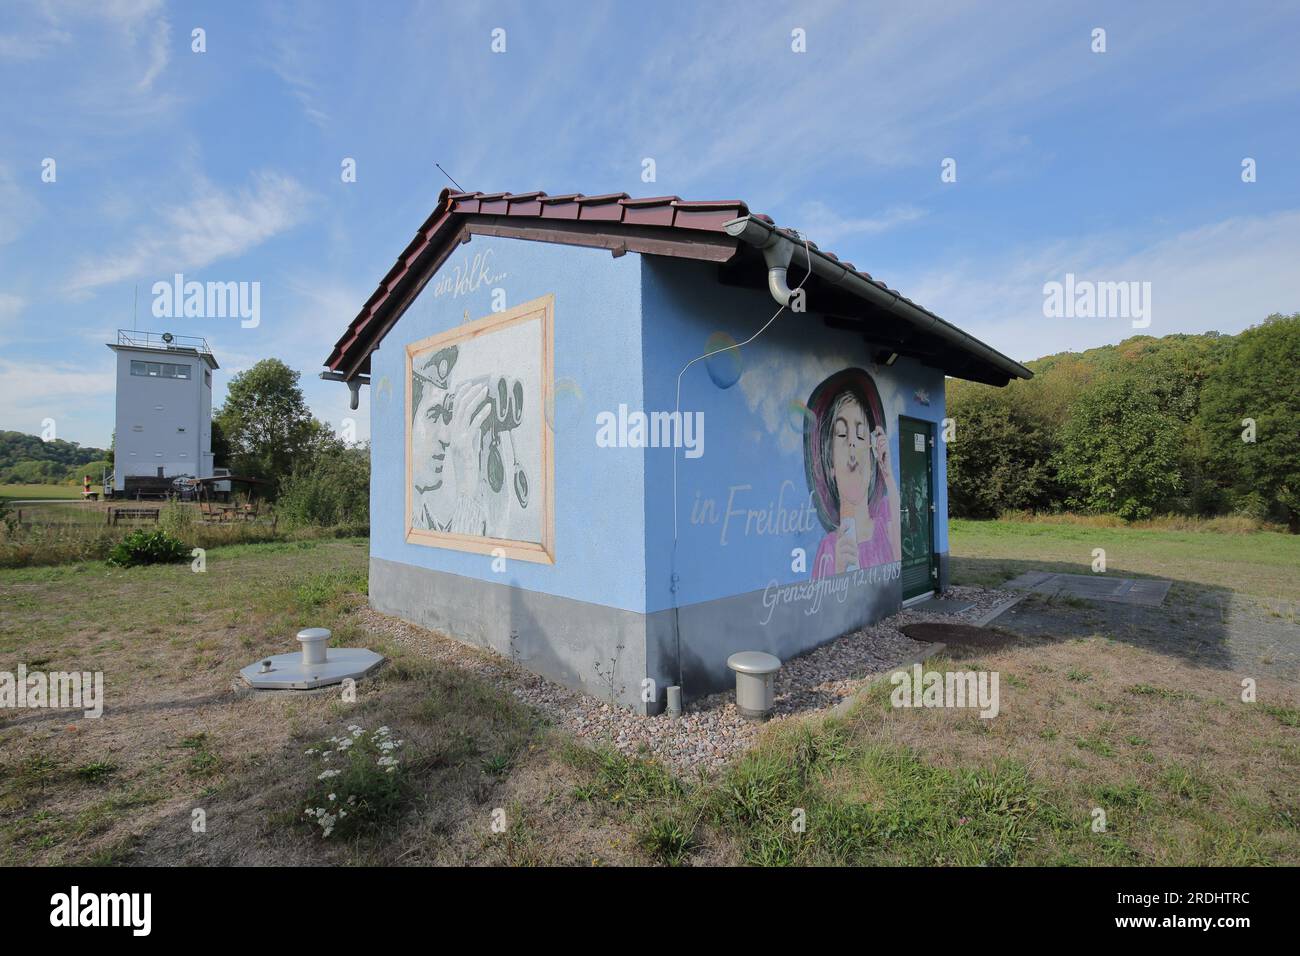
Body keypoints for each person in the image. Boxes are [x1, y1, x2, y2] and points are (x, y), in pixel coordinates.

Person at [803, 369, 901, 579]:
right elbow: (823, 607)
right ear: (830, 467)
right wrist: (837, 569)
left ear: (871, 454)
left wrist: (889, 475)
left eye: (860, 433)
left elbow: (899, 565)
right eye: (841, 433)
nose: (853, 443)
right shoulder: (829, 548)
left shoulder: (885, 524)